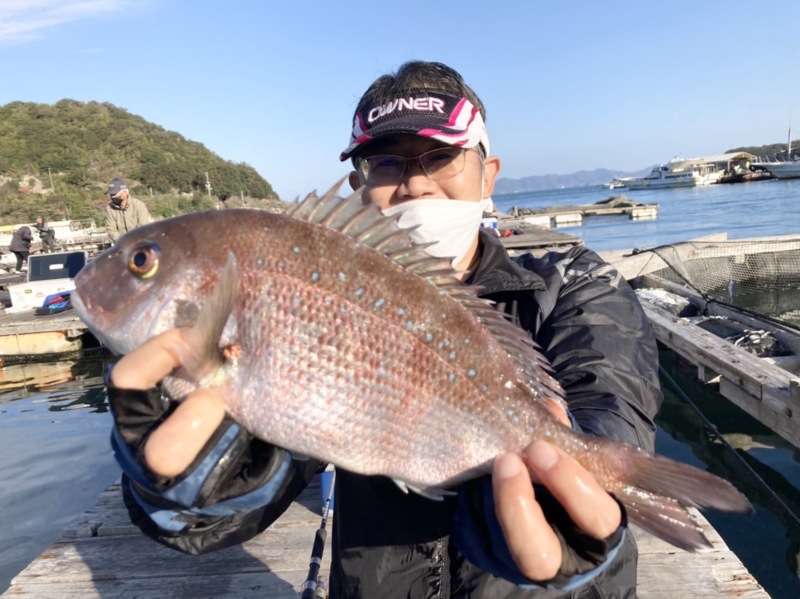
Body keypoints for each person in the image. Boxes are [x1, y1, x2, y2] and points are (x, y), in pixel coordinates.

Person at [105, 61, 663, 598]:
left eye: (441, 156)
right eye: (386, 163)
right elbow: (243, 486)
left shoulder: (574, 285)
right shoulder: (327, 305)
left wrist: (572, 499)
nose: (416, 183)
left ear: (488, 173)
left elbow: (610, 405)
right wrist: (187, 488)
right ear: (359, 187)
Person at [104, 178, 152, 243]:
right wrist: (122, 241)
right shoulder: (110, 209)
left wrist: (133, 241)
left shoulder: (139, 205)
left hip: (139, 243)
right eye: (111, 194)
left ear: (125, 192)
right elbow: (111, 228)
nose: (112, 197)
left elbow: (143, 226)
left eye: (115, 193)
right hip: (122, 244)